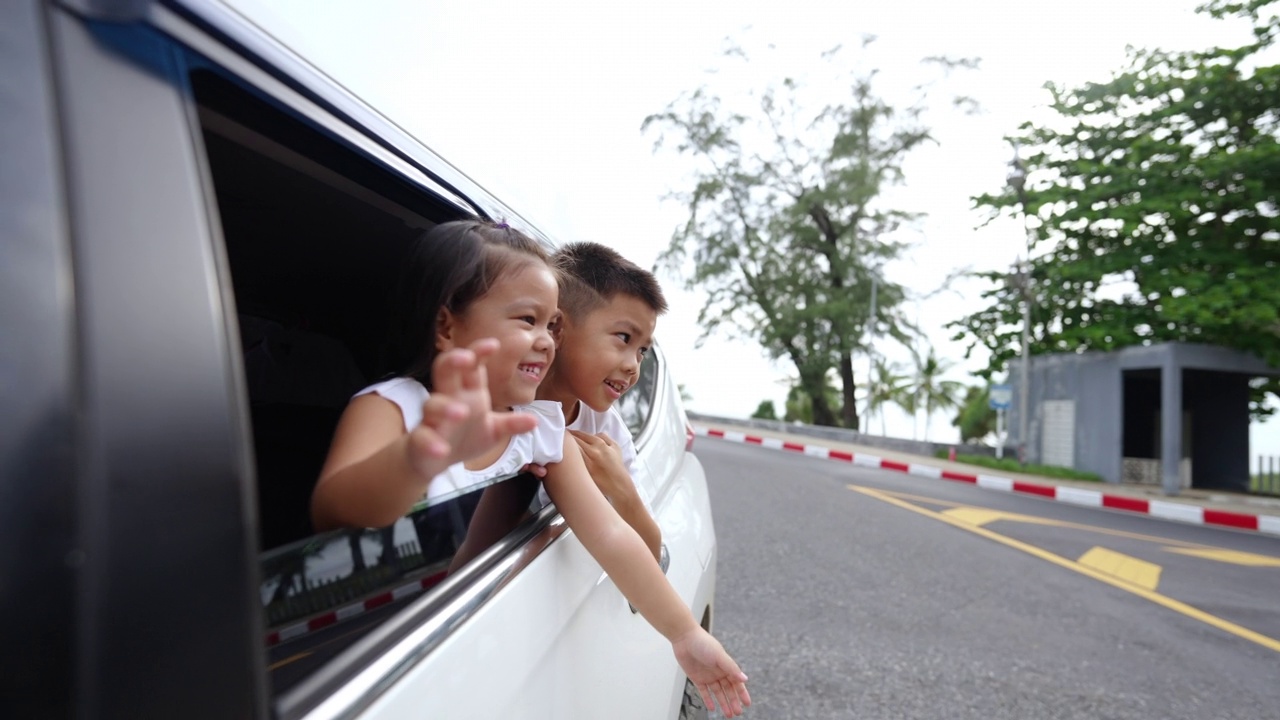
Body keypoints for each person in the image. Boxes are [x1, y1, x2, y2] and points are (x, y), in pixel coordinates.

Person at [309, 220, 750, 717]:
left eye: (552, 326)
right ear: (447, 326)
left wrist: (685, 635)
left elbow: (609, 536)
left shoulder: (542, 433)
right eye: (527, 320)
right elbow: (336, 510)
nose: (546, 342)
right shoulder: (396, 406)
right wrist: (418, 456)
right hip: (347, 653)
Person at [535, 242, 665, 562]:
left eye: (642, 350)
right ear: (558, 328)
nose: (634, 365)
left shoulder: (606, 430)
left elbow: (652, 553)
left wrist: (620, 486)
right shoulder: (504, 408)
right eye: (624, 338)